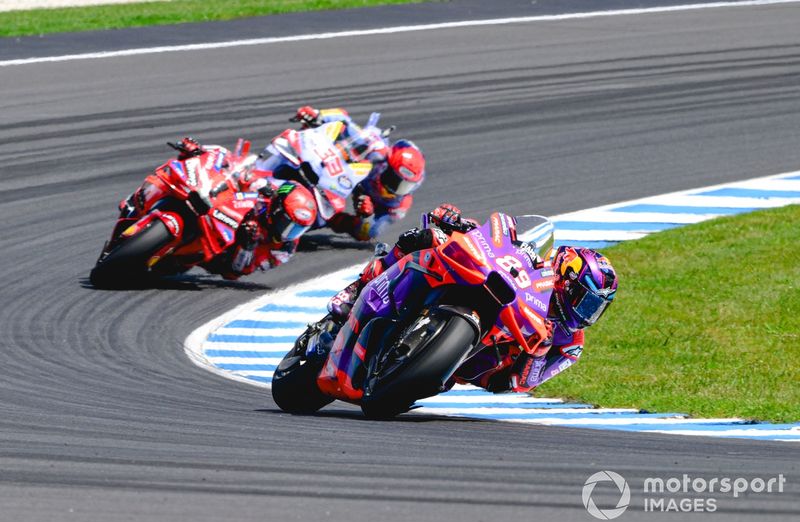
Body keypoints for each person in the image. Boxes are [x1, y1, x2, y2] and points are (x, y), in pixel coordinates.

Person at [325, 204, 618, 394]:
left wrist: (538, 353)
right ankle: (358, 287)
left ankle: (420, 365)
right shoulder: (538, 269)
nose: (585, 312)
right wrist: (457, 223)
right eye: (584, 300)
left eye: (595, 308)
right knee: (428, 238)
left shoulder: (571, 343)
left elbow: (525, 383)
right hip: (484, 290)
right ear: (565, 279)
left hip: (477, 365)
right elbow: (498, 244)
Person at [118, 137, 317, 280]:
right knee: (181, 176)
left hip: (222, 253)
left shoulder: (284, 249)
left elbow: (240, 271)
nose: (289, 232)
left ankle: (169, 255)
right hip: (214, 211)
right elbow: (236, 167)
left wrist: (247, 247)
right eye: (288, 224)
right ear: (277, 208)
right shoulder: (268, 192)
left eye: (297, 229)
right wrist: (199, 151)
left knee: (184, 266)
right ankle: (140, 203)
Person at [290, 106, 426, 241]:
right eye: (395, 181)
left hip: (347, 189)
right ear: (387, 166)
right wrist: (318, 115)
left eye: (405, 186)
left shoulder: (398, 205)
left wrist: (368, 216)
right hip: (338, 166)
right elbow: (344, 120)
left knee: (325, 216)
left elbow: (374, 230)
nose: (395, 190)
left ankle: (326, 220)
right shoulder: (378, 153)